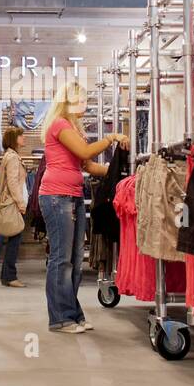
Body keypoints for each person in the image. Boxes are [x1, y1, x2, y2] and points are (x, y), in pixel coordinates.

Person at [39, 81, 129, 332]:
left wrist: (122, 175)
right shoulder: (60, 125)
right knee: (61, 259)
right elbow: (85, 151)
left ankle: (72, 313)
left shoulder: (73, 127)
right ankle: (60, 318)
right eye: (81, 100)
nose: (85, 104)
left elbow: (88, 166)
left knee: (75, 260)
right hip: (57, 197)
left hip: (73, 196)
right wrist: (111, 137)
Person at [0, 127, 29, 287]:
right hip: (13, 203)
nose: (24, 138)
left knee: (13, 239)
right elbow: (12, 183)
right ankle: (10, 276)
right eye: (21, 135)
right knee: (14, 239)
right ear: (15, 138)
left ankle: (7, 275)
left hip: (12, 201)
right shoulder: (13, 158)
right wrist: (20, 203)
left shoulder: (10, 156)